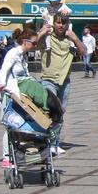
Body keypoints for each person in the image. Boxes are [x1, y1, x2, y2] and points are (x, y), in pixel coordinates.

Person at [39, 12, 86, 155]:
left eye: (63, 23)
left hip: (64, 81)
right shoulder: (47, 38)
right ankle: (45, 142)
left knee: (59, 113)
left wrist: (76, 38)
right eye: (58, 22)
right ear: (54, 23)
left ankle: (55, 143)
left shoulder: (69, 39)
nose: (61, 25)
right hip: (49, 79)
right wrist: (41, 32)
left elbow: (84, 52)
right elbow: (34, 44)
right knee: (49, 111)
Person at [0, 27, 40, 168]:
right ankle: (6, 157)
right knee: (10, 125)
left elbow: (24, 76)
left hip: (18, 94)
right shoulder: (13, 53)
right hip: (6, 93)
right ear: (25, 42)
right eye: (34, 43)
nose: (35, 46)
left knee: (19, 124)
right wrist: (2, 83)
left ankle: (17, 152)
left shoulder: (23, 56)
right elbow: (4, 69)